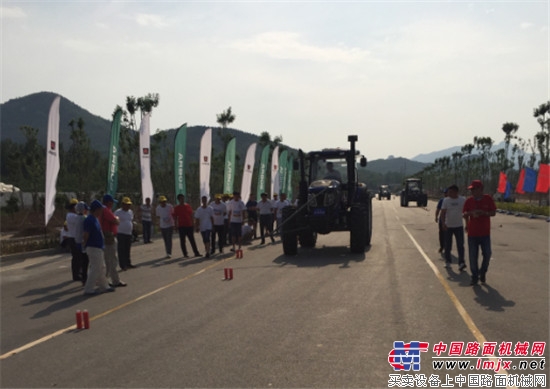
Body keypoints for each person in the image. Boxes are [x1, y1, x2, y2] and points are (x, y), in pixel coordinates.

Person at [463, 180, 497, 286]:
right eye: (471, 190)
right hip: (472, 233)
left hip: (485, 233)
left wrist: (484, 213)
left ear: (480, 189)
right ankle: (474, 276)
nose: (472, 191)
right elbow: (464, 214)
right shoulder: (469, 201)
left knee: (487, 254)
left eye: (474, 189)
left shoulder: (488, 199)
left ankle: (482, 272)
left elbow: (493, 212)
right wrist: (470, 215)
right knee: (473, 256)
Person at [82, 200, 115, 295]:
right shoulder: (89, 220)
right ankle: (88, 288)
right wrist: (85, 244)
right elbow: (86, 234)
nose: (101, 212)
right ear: (96, 210)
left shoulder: (95, 219)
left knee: (101, 267)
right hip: (93, 247)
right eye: (100, 210)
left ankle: (104, 285)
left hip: (98, 246)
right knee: (95, 268)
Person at [101, 194, 126, 287]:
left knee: (108, 259)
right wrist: (117, 218)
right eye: (112, 203)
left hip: (107, 235)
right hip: (109, 236)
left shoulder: (103, 209)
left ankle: (105, 280)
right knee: (112, 259)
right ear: (108, 202)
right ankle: (114, 280)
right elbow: (116, 221)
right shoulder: (105, 210)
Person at [440, 184, 466, 271]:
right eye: (448, 192)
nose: (448, 193)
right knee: (448, 245)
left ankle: (461, 262)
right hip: (448, 226)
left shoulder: (462, 200)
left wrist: (467, 224)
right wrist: (443, 223)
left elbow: (466, 213)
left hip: (459, 226)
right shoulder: (446, 200)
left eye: (450, 192)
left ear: (456, 192)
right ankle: (448, 261)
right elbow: (443, 213)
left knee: (460, 245)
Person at [173, 194, 201, 258]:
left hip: (189, 225)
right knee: (183, 241)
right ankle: (185, 253)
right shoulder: (176, 208)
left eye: (183, 198)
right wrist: (175, 225)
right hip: (181, 226)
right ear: (178, 199)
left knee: (192, 240)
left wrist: (193, 223)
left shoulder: (188, 206)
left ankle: (196, 252)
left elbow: (191, 215)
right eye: (181, 199)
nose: (182, 200)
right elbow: (175, 217)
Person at [115, 197, 135, 271]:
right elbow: (115, 221)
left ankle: (128, 263)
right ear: (123, 204)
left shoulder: (130, 212)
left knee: (127, 249)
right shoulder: (118, 212)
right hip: (121, 233)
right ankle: (123, 265)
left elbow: (130, 221)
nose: (128, 206)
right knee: (121, 249)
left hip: (128, 233)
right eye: (126, 204)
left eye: (129, 204)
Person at [65, 198, 82, 282]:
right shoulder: (71, 216)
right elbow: (81, 219)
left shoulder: (73, 215)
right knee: (76, 257)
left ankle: (79, 272)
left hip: (76, 238)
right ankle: (76, 275)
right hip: (73, 238)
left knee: (79, 257)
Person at [74, 201, 90, 285]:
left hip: (77, 241)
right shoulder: (84, 218)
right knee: (85, 261)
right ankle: (85, 278)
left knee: (80, 260)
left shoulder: (75, 218)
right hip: (83, 241)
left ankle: (82, 276)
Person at [435, 188, 448, 253]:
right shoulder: (442, 200)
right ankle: (442, 246)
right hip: (442, 220)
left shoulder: (452, 201)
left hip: (449, 221)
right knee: (441, 234)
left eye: (446, 193)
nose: (445, 194)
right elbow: (438, 209)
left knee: (447, 235)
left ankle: (447, 247)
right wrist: (436, 217)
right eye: (445, 193)